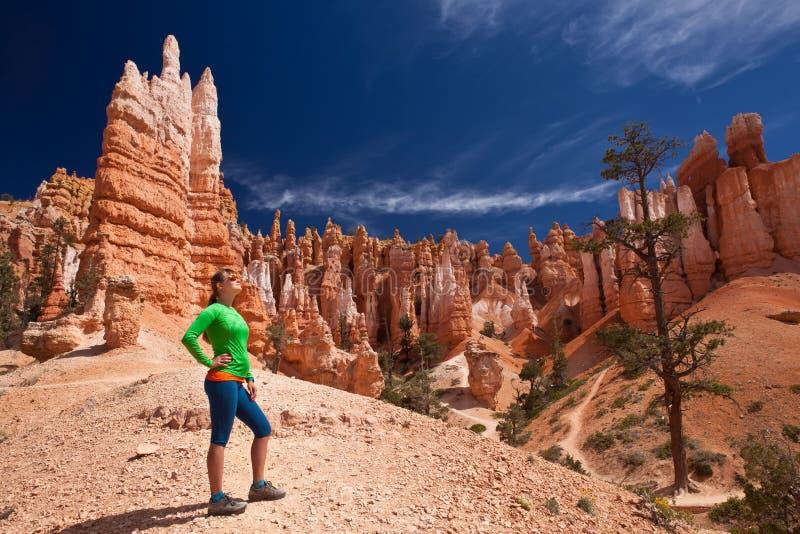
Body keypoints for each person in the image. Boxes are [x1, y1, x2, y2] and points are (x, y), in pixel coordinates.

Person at [181, 268, 286, 516]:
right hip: (221, 381)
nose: (237, 279)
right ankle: (216, 499)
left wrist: (249, 376)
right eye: (231, 277)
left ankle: (258, 486)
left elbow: (240, 348)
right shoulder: (213, 311)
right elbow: (189, 337)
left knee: (263, 429)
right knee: (220, 438)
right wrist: (209, 361)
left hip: (237, 382)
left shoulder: (235, 314)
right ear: (219, 286)